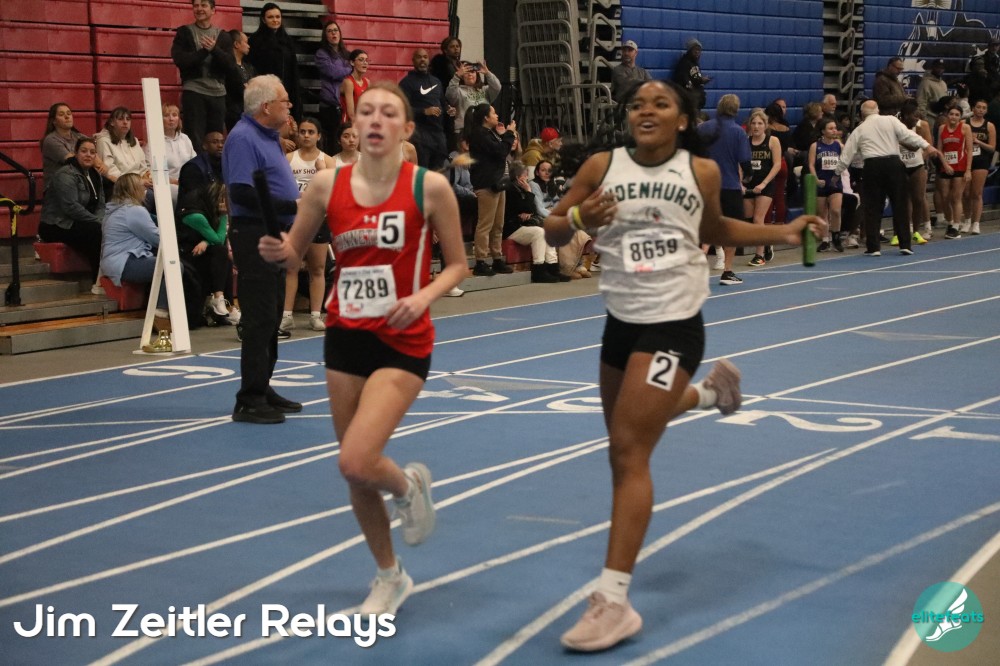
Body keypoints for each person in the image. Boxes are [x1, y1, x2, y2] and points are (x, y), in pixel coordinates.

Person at [542, 78, 824, 653]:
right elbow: (553, 226)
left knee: (629, 448)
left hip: (674, 325)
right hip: (621, 323)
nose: (646, 110)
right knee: (622, 448)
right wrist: (578, 218)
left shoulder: (701, 172)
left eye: (660, 103)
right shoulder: (601, 166)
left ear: (682, 119)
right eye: (637, 104)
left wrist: (783, 230)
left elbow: (714, 231)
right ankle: (711, 394)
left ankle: (613, 601)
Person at [257, 82, 467, 616]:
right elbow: (295, 254)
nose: (375, 119)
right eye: (366, 110)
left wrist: (422, 296)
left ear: (406, 128)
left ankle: (408, 485)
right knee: (354, 470)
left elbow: (458, 265)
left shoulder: (430, 187)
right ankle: (389, 575)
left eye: (388, 112)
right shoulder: (327, 185)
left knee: (356, 456)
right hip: (346, 335)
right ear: (354, 123)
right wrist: (278, 251)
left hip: (402, 339)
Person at [222, 74, 302, 424]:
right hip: (255, 233)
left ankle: (262, 385)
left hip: (273, 232)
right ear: (266, 106)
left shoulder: (268, 136)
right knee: (259, 317)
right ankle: (249, 398)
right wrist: (289, 206)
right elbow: (241, 192)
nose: (290, 105)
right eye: (285, 100)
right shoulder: (243, 138)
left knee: (272, 314)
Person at [834, 100, 940, 256]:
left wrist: (837, 173)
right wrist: (927, 146)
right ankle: (905, 244)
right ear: (877, 110)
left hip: (872, 166)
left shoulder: (860, 129)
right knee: (900, 204)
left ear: (862, 114)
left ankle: (873, 247)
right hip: (893, 164)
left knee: (872, 207)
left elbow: (847, 154)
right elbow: (909, 135)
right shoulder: (891, 120)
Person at [100, 173, 173, 352]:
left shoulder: (114, 209)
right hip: (124, 261)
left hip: (115, 261)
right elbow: (159, 239)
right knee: (172, 266)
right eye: (142, 186)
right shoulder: (133, 211)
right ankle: (161, 313)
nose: (145, 190)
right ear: (133, 189)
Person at [283, 117, 336, 333]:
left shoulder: (327, 161)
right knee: (291, 267)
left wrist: (321, 172)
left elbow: (333, 193)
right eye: (303, 131)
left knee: (318, 268)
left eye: (311, 132)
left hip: (318, 220)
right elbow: (280, 188)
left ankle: (315, 315)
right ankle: (286, 316)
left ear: (318, 136)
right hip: (294, 219)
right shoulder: (288, 158)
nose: (306, 135)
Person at [697, 93, 750, 285]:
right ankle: (727, 271)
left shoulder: (703, 128)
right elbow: (745, 161)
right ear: (736, 110)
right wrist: (748, 178)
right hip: (729, 185)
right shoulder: (738, 132)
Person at [38, 137, 106, 280]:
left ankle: (108, 276)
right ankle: (98, 280)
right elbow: (71, 207)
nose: (88, 155)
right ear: (76, 153)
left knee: (108, 228)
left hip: (80, 221)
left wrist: (101, 220)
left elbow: (101, 204)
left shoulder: (96, 175)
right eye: (84, 151)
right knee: (95, 231)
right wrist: (97, 221)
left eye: (92, 152)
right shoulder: (65, 174)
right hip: (56, 224)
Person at [171, 0, 232, 151]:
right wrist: (204, 51)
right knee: (194, 138)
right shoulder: (184, 32)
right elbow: (180, 60)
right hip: (194, 91)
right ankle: (197, 165)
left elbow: (230, 65)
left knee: (216, 139)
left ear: (213, 10)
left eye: (203, 5)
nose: (199, 9)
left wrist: (214, 49)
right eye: (196, 5)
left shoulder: (223, 36)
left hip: (218, 94)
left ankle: (214, 166)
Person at [177, 180, 239, 326]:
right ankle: (220, 300)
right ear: (216, 198)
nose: (226, 204)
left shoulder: (208, 210)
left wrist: (206, 241)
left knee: (223, 257)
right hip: (187, 256)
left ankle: (226, 304)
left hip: (201, 252)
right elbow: (218, 240)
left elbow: (218, 240)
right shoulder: (195, 216)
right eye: (223, 199)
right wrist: (224, 216)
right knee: (221, 251)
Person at [466, 103, 517, 276]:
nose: (497, 116)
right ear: (486, 118)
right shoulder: (479, 134)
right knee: (485, 224)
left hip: (498, 183)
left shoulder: (490, 133)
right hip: (486, 184)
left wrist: (504, 135)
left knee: (498, 225)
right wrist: (509, 134)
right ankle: (480, 261)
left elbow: (500, 150)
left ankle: (497, 257)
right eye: (493, 113)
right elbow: (500, 151)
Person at [503, 161, 560, 282]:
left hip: (522, 225)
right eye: (525, 175)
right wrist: (529, 191)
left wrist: (527, 209)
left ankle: (553, 266)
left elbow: (531, 209)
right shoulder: (510, 190)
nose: (527, 178)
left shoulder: (521, 189)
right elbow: (523, 207)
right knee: (539, 232)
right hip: (512, 228)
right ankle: (539, 270)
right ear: (518, 177)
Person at [399, 48, 453, 170]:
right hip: (419, 134)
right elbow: (402, 110)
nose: (422, 60)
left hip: (438, 135)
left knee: (438, 171)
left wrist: (449, 110)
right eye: (419, 57)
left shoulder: (436, 81)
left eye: (425, 57)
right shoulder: (406, 83)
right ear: (413, 61)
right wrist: (424, 111)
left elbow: (443, 103)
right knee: (422, 171)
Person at [248, 3, 301, 122]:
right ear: (263, 19)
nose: (275, 20)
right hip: (265, 93)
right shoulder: (255, 41)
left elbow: (294, 70)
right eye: (270, 17)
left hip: (287, 90)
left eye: (278, 17)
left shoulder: (288, 41)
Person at [743, 108, 782, 264]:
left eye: (760, 123)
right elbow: (740, 164)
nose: (756, 126)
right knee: (749, 219)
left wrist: (764, 183)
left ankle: (759, 256)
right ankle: (766, 241)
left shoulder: (773, 141)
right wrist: (740, 183)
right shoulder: (745, 142)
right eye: (753, 123)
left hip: (765, 184)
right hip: (749, 184)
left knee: (758, 219)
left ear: (765, 125)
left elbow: (777, 164)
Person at [94, 107, 151, 198]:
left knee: (164, 192)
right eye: (121, 119)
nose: (125, 122)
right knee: (154, 197)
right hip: (120, 187)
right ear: (112, 122)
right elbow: (110, 171)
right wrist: (137, 182)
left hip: (141, 184)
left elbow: (143, 166)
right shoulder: (103, 141)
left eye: (128, 119)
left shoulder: (134, 141)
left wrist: (147, 176)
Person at [936, 103, 973, 240]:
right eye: (951, 114)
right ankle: (950, 222)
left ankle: (956, 226)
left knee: (956, 197)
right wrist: (945, 164)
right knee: (945, 196)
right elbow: (939, 149)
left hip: (960, 166)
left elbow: (969, 150)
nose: (953, 117)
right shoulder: (942, 128)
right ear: (947, 115)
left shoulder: (965, 128)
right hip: (946, 166)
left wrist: (968, 170)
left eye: (957, 115)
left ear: (960, 117)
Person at [808, 116, 845, 252]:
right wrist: (816, 179)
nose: (834, 130)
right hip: (821, 184)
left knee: (835, 210)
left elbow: (845, 161)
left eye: (835, 128)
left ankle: (836, 236)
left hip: (835, 183)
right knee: (822, 213)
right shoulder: (815, 146)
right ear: (823, 131)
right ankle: (825, 240)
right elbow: (811, 165)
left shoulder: (839, 146)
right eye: (830, 128)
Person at [148, 103, 196, 206]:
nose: (171, 119)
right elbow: (151, 172)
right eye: (166, 115)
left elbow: (194, 163)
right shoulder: (154, 141)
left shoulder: (185, 139)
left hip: (187, 181)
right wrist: (175, 181)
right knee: (180, 194)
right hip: (167, 184)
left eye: (174, 115)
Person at [900, 99, 934, 242]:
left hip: (917, 164)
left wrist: (921, 159)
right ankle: (907, 228)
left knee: (919, 198)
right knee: (905, 199)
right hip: (901, 166)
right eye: (914, 114)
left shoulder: (922, 125)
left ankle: (923, 228)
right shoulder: (897, 126)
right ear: (906, 115)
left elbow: (929, 146)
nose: (917, 117)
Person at [315, 19, 351, 151]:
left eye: (335, 30)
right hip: (329, 106)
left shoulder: (346, 54)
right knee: (332, 144)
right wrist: (350, 68)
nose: (333, 33)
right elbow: (333, 72)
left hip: (345, 105)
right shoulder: (321, 54)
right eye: (329, 31)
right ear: (325, 36)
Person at [445, 60, 502, 145]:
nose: (470, 74)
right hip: (463, 132)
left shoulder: (484, 90)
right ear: (462, 76)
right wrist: (457, 76)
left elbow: (497, 87)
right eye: (467, 72)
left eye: (472, 72)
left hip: (483, 131)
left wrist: (487, 73)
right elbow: (449, 95)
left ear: (477, 74)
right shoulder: (458, 91)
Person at [962, 98, 995, 235]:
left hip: (981, 160)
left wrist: (977, 141)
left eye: (983, 108)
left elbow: (992, 148)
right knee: (966, 193)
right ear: (973, 109)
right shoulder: (964, 123)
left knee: (977, 193)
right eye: (978, 107)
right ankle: (967, 220)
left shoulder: (989, 126)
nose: (981, 110)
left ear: (986, 111)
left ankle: (976, 223)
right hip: (966, 160)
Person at [40, 103, 90, 182]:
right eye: (61, 114)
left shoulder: (80, 137)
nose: (67, 117)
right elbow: (72, 161)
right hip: (59, 184)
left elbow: (97, 160)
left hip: (79, 181)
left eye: (69, 113)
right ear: (54, 121)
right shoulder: (51, 140)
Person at [764, 99, 791, 227]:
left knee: (768, 195)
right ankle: (780, 223)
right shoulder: (786, 128)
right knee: (780, 195)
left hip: (770, 164)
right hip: (783, 162)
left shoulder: (767, 129)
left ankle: (767, 223)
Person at [224, 29, 255, 131]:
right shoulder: (228, 67)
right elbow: (235, 89)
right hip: (233, 113)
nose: (249, 46)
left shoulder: (249, 67)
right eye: (246, 42)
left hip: (249, 112)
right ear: (236, 44)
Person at [672, 38, 710, 111]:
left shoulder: (695, 64)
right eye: (695, 50)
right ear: (689, 50)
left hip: (696, 102)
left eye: (699, 50)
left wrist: (701, 80)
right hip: (688, 102)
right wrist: (700, 81)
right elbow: (685, 82)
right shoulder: (684, 64)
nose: (697, 52)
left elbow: (695, 80)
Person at [611, 40, 651, 105]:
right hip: (624, 107)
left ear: (636, 53)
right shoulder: (617, 70)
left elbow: (651, 85)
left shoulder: (642, 71)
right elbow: (628, 84)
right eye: (624, 50)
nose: (626, 53)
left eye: (630, 50)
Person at [340, 49, 371, 126]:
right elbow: (351, 113)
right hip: (349, 123)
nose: (365, 63)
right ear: (352, 62)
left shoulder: (367, 82)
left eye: (366, 60)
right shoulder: (348, 82)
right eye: (361, 60)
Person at [917, 59, 948, 126]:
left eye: (942, 68)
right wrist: (924, 119)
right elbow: (921, 103)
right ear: (933, 68)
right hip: (930, 118)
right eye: (938, 67)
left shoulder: (943, 83)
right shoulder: (925, 83)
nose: (940, 70)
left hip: (942, 119)